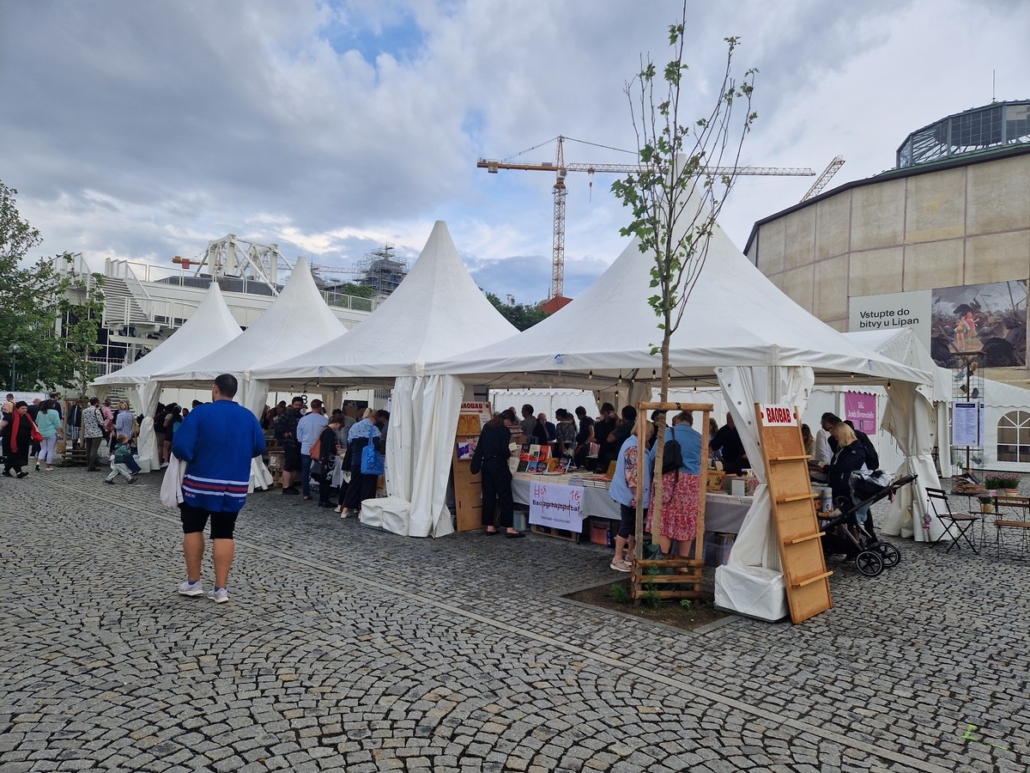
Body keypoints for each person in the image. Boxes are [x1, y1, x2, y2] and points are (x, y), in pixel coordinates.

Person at [173, 373, 266, 604]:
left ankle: (194, 582)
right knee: (225, 532)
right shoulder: (248, 416)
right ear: (234, 392)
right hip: (234, 485)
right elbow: (259, 447)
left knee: (193, 528)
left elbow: (181, 446)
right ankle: (220, 588)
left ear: (215, 389)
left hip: (199, 483)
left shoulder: (201, 413)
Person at [646, 411, 703, 559]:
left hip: (669, 480)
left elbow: (653, 457)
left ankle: (662, 561)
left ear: (676, 420)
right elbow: (704, 463)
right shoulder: (699, 437)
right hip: (692, 484)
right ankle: (683, 564)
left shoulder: (666, 433)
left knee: (665, 520)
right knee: (686, 521)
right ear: (690, 422)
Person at [470, 409, 521, 537]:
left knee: (489, 496)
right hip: (499, 466)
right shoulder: (504, 431)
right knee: (505, 497)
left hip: (486, 466)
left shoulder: (487, 427)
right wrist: (510, 453)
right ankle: (509, 528)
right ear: (508, 419)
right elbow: (504, 451)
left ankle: (489, 526)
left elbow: (480, 447)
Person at [608, 426, 651, 571]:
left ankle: (629, 554)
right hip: (631, 494)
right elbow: (632, 475)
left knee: (632, 524)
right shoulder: (633, 447)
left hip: (631, 493)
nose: (651, 435)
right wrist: (637, 495)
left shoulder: (631, 443)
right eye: (650, 432)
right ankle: (617, 557)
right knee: (627, 524)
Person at [340, 408, 382, 518]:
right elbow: (377, 446)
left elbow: (349, 442)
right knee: (368, 486)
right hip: (369, 462)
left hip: (356, 460)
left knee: (353, 484)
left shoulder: (354, 427)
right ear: (373, 418)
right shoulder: (375, 429)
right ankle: (362, 510)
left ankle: (345, 510)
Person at [825, 422, 867, 513]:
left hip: (845, 486)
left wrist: (827, 468)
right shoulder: (844, 448)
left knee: (844, 513)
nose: (836, 439)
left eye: (836, 436)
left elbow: (844, 466)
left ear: (843, 434)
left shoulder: (856, 449)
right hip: (838, 485)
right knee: (838, 513)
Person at [296, 398, 327, 500]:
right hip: (318, 448)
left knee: (305, 471)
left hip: (305, 448)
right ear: (320, 407)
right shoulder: (324, 420)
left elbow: (299, 437)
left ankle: (306, 493)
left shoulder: (303, 419)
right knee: (321, 470)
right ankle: (323, 491)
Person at [274, 396, 305, 495]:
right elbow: (277, 425)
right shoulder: (288, 413)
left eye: (299, 405)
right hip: (290, 443)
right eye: (296, 405)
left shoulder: (300, 415)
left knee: (295, 465)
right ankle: (286, 486)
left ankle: (290, 485)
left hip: (298, 443)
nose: (298, 407)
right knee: (289, 465)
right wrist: (284, 434)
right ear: (292, 404)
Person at [313, 414, 342, 508]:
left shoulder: (325, 429)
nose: (339, 428)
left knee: (323, 481)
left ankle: (323, 499)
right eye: (340, 426)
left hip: (323, 458)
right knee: (326, 480)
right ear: (337, 423)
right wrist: (323, 459)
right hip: (326, 459)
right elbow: (326, 446)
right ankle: (324, 500)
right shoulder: (329, 431)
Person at [2, 401, 36, 478]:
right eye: (22, 408)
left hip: (23, 441)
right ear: (17, 408)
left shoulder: (27, 416)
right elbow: (2, 425)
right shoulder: (10, 416)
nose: (24, 410)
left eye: (26, 408)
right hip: (10, 441)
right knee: (14, 456)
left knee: (16, 456)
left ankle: (6, 471)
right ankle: (19, 472)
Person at [35, 399, 63, 471]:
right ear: (51, 405)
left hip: (41, 433)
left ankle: (38, 462)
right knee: (50, 450)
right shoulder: (54, 412)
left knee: (43, 449)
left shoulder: (40, 412)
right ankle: (48, 466)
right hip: (51, 432)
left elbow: (37, 421)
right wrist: (59, 432)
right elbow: (57, 423)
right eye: (54, 404)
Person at [83, 397, 107, 471]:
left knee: (88, 449)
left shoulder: (84, 411)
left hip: (87, 432)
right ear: (96, 402)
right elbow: (101, 422)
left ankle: (88, 464)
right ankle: (92, 465)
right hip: (96, 432)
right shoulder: (96, 411)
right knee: (94, 449)